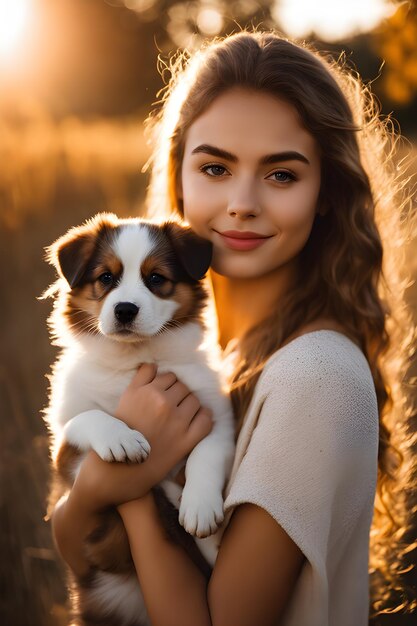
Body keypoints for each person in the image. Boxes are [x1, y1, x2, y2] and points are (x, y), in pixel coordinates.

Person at [51, 31, 416, 625]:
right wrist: (97, 487)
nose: (242, 202)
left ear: (326, 192)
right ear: (179, 175)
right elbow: (78, 551)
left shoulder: (314, 374)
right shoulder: (221, 351)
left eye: (281, 175)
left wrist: (134, 483)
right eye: (216, 167)